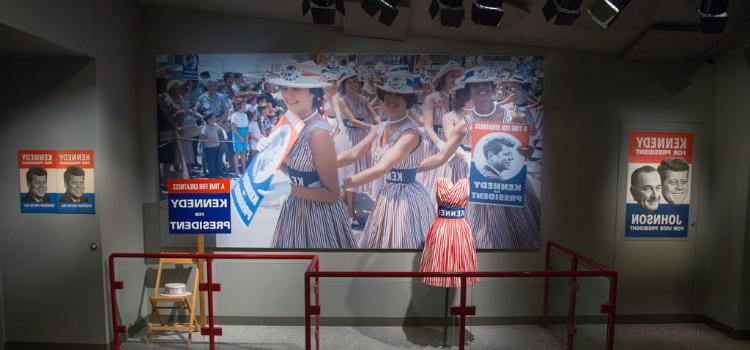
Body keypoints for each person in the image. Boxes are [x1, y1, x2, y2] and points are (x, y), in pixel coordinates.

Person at [338, 72, 466, 249]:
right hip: (387, 194)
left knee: (403, 242)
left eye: (398, 95)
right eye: (388, 94)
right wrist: (323, 164)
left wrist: (340, 183)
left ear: (408, 100)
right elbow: (354, 153)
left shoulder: (410, 133)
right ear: (382, 98)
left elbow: (382, 167)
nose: (391, 99)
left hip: (406, 199)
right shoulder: (380, 128)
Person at [267, 60, 356, 249]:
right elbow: (297, 171)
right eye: (284, 88)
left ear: (313, 92)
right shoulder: (293, 123)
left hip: (319, 216)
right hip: (295, 209)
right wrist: (269, 156)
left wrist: (289, 189)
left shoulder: (317, 133)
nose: (288, 95)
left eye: (296, 89)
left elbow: (332, 194)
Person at [460, 66, 541, 249]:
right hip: (479, 183)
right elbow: (455, 148)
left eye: (485, 84)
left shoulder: (511, 117)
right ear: (469, 90)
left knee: (515, 235)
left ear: (492, 86)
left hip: (507, 183)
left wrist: (527, 150)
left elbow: (530, 141)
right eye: (475, 86)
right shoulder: (464, 121)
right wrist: (464, 154)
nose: (481, 88)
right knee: (480, 234)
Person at [335, 68, 379, 225]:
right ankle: (350, 213)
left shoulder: (363, 98)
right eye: (349, 82)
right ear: (344, 84)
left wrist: (383, 124)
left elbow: (375, 115)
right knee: (349, 171)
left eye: (355, 81)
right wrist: (371, 127)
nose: (353, 84)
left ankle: (344, 207)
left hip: (363, 135)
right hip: (349, 137)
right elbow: (352, 120)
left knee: (360, 171)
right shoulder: (342, 100)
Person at [418, 61, 464, 204]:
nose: (455, 79)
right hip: (435, 142)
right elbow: (427, 126)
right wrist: (439, 143)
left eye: (458, 76)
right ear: (443, 78)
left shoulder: (461, 98)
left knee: (453, 180)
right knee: (434, 182)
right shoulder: (431, 97)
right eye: (452, 76)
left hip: (456, 142)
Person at [201, 113, 223, 178]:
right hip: (210, 148)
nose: (215, 119)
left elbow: (221, 130)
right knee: (211, 162)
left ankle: (217, 175)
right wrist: (209, 139)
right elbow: (202, 135)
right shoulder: (205, 128)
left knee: (217, 161)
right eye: (213, 117)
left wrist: (225, 135)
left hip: (217, 146)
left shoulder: (216, 125)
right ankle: (211, 175)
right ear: (209, 119)